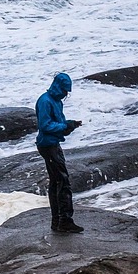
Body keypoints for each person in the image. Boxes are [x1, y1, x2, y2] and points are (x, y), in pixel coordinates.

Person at [36, 72, 83, 233]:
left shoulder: (56, 102)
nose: (65, 94)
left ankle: (57, 221)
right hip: (48, 146)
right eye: (64, 90)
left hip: (52, 144)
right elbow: (45, 126)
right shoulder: (45, 101)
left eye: (67, 91)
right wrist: (64, 127)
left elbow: (58, 123)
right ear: (57, 87)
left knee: (57, 182)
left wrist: (69, 125)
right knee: (63, 182)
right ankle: (64, 221)